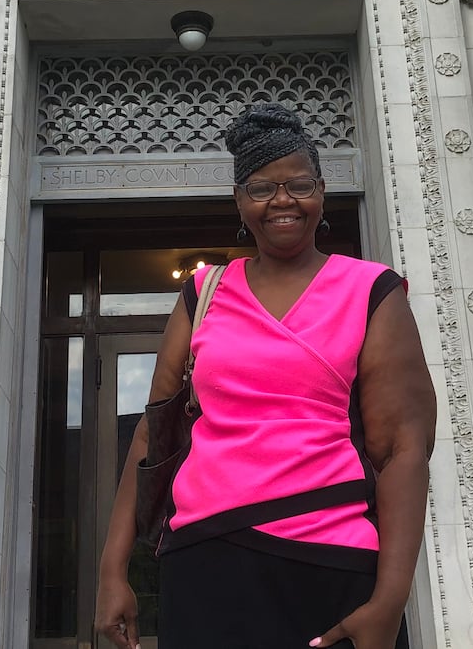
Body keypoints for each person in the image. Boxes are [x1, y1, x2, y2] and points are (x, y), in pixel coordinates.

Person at [96, 102, 436, 649]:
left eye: (299, 184)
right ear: (239, 200)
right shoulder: (204, 293)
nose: (282, 200)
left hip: (329, 559)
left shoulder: (373, 292)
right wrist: (112, 573)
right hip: (204, 559)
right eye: (261, 188)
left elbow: (403, 448)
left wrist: (389, 601)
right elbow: (150, 436)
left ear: (322, 191)